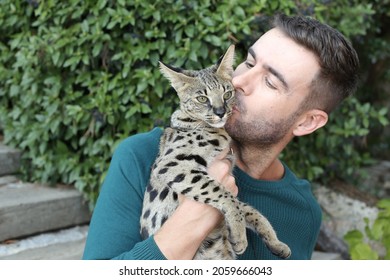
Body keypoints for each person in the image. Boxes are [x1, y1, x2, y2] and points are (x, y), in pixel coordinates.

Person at [82, 13, 359, 260]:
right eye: (249, 63)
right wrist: (191, 221)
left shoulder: (303, 212)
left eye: (270, 82)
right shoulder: (140, 155)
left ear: (308, 122)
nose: (238, 82)